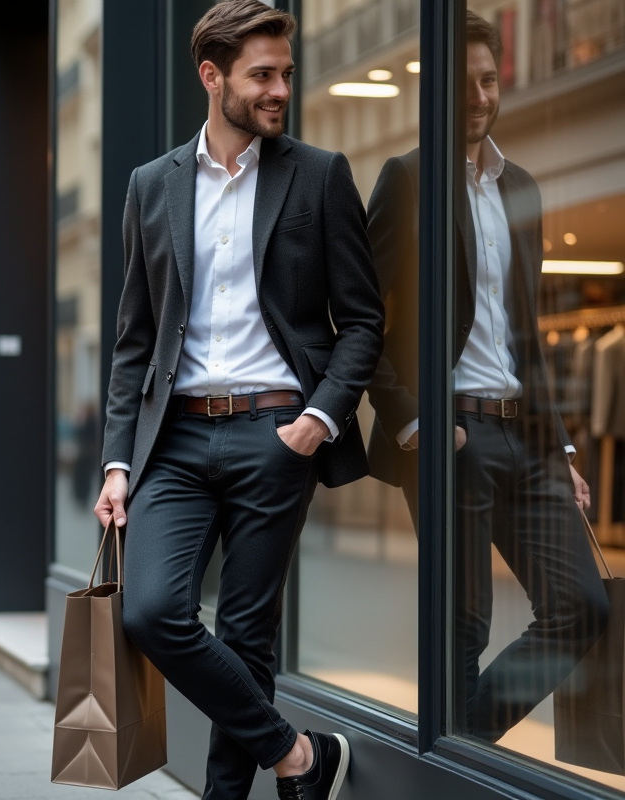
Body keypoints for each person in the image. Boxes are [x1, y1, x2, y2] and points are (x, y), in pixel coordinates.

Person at [92, 3, 384, 798]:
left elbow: (362, 321)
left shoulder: (319, 176)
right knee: (153, 614)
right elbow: (133, 341)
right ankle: (299, 757)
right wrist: (118, 462)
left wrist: (316, 421)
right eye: (262, 74)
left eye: (285, 73)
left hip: (274, 432)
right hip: (175, 443)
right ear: (212, 76)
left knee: (247, 637)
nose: (279, 89)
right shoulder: (151, 186)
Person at [364, 11, 609, 744]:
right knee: (462, 628)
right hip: (450, 437)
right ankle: (455, 771)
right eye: (463, 82)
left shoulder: (520, 188)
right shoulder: (407, 180)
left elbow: (525, 334)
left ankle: (456, 752)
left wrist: (562, 451)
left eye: (488, 79)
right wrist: (412, 418)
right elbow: (359, 319)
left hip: (526, 440)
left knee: (582, 607)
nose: (478, 96)